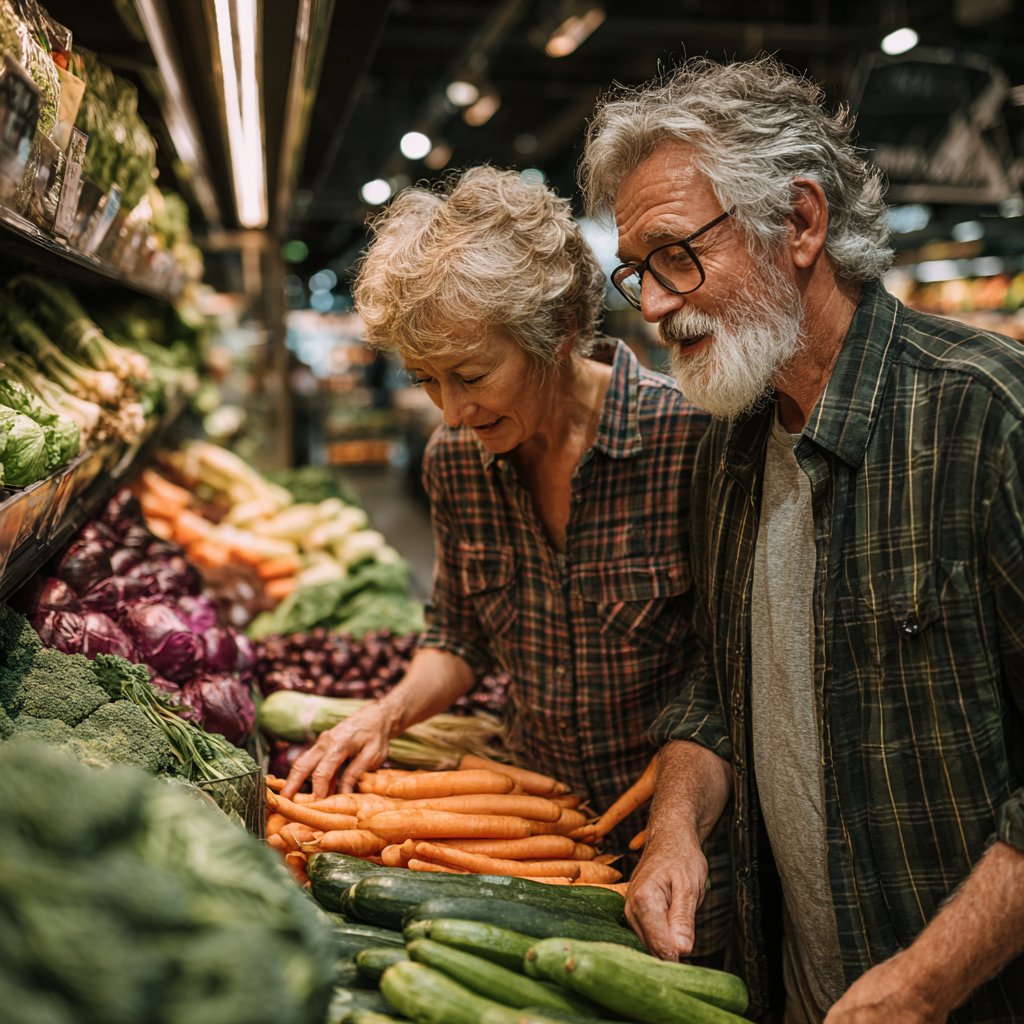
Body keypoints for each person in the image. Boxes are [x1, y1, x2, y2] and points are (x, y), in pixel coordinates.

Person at [579, 57, 1024, 1024]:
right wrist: (676, 827)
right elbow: (719, 684)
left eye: (674, 256)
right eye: (635, 273)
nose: (651, 306)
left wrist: (921, 986)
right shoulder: (730, 447)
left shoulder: (988, 418)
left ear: (801, 224)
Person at [281, 167, 729, 954]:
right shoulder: (454, 461)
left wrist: (677, 823)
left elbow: (730, 672)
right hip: (532, 841)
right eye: (426, 380)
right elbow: (457, 636)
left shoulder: (689, 439)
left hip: (691, 850)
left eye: (473, 375)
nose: (451, 412)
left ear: (556, 335)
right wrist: (385, 713)